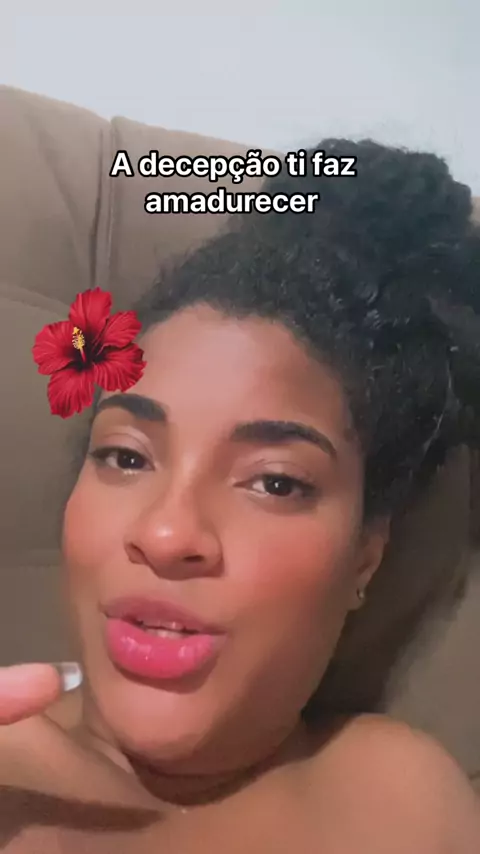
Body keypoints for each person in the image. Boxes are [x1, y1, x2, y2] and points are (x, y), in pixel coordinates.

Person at [1, 139, 479, 853]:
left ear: (365, 557)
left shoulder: (401, 799)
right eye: (126, 457)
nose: (166, 534)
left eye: (274, 482)